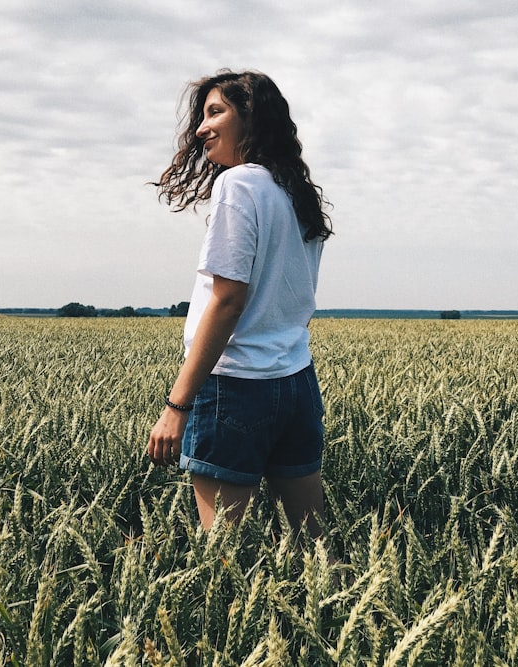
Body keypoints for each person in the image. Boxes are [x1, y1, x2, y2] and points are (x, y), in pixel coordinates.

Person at [147, 70, 333, 537]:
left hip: (235, 386)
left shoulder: (238, 185)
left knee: (223, 559)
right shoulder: (297, 194)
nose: (201, 129)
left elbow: (228, 302)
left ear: (250, 118)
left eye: (215, 113)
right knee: (315, 542)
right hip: (296, 383)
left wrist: (177, 405)